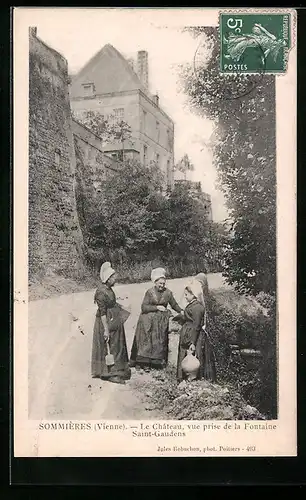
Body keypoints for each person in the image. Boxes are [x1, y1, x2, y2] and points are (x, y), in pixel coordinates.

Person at [130, 267, 184, 371]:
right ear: (155, 282)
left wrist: (181, 311)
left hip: (160, 323)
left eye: (164, 283)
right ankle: (144, 364)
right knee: (146, 342)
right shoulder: (149, 292)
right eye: (160, 283)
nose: (162, 286)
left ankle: (155, 364)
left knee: (158, 342)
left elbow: (174, 304)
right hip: (147, 320)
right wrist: (156, 307)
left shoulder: (168, 293)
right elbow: (143, 307)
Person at [91, 262, 131, 384]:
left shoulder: (109, 289)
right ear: (108, 279)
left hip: (113, 318)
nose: (115, 279)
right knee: (110, 345)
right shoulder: (101, 292)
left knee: (117, 344)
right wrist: (106, 330)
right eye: (113, 277)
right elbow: (102, 312)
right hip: (106, 321)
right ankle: (110, 372)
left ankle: (118, 369)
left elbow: (112, 303)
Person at [177, 279, 216, 383]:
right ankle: (185, 376)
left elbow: (196, 326)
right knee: (185, 353)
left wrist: (193, 342)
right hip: (188, 333)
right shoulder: (192, 305)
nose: (185, 297)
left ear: (193, 294)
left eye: (186, 294)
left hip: (194, 335)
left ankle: (195, 377)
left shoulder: (197, 308)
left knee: (195, 354)